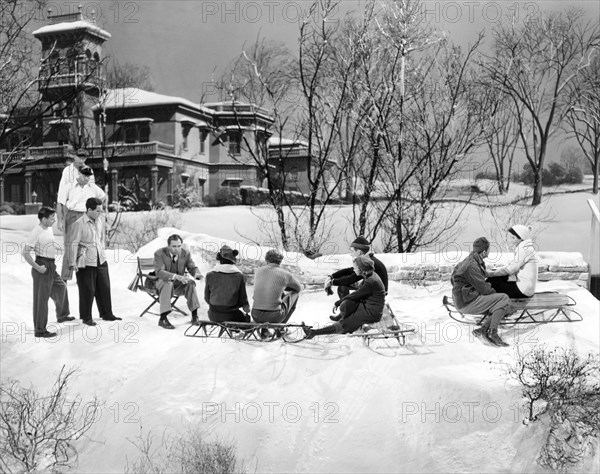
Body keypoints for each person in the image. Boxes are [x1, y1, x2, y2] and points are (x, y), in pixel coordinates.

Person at [22, 207, 75, 338]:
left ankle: (62, 315)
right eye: (52, 218)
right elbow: (25, 252)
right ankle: (40, 330)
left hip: (51, 266)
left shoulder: (48, 228)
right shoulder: (36, 232)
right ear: (44, 219)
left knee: (61, 287)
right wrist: (37, 267)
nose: (54, 220)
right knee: (41, 300)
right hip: (42, 266)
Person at [304, 255, 385, 339]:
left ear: (361, 270)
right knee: (347, 306)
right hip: (367, 306)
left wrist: (337, 303)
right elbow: (356, 292)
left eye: (355, 268)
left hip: (371, 312)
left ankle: (313, 333)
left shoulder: (371, 281)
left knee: (345, 323)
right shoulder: (369, 275)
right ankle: (315, 332)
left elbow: (356, 294)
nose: (353, 270)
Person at [68, 197, 121, 326]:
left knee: (104, 286)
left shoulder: (100, 221)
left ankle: (107, 313)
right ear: (89, 209)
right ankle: (86, 317)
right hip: (85, 260)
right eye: (97, 210)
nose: (100, 213)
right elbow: (73, 244)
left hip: (101, 258)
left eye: (101, 210)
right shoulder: (79, 223)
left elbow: (101, 238)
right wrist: (72, 263)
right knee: (88, 289)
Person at [451, 237, 511, 347]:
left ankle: (482, 330)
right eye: (488, 250)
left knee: (503, 305)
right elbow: (484, 288)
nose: (489, 252)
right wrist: (495, 294)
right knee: (504, 299)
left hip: (463, 299)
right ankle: (493, 332)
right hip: (466, 302)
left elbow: (453, 278)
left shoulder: (469, 260)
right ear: (484, 252)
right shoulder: (472, 265)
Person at [57, 165, 105, 280]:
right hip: (72, 215)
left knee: (88, 245)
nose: (86, 178)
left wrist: (96, 208)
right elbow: (60, 203)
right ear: (78, 174)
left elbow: (103, 196)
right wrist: (60, 220)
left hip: (87, 215)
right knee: (70, 246)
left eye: (88, 176)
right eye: (84, 175)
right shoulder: (69, 187)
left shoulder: (93, 188)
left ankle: (84, 275)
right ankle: (65, 277)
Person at [153, 234, 203, 329]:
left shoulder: (185, 253)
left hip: (177, 284)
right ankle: (163, 319)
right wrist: (176, 276)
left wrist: (197, 274)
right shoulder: (159, 253)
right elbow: (159, 272)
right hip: (161, 282)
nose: (177, 249)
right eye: (174, 246)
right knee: (168, 283)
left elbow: (191, 267)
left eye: (179, 246)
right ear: (168, 246)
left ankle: (194, 315)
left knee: (190, 283)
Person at [324, 236, 388, 300]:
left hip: (376, 294)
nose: (350, 254)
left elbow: (351, 279)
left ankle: (348, 309)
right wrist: (332, 276)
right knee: (343, 286)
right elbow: (350, 270)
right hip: (374, 290)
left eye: (352, 251)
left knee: (343, 287)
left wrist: (332, 282)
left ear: (359, 252)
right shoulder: (368, 259)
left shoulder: (368, 262)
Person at [487, 224, 538, 299]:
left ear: (521, 238)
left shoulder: (524, 250)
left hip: (523, 290)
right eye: (510, 238)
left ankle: (479, 303)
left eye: (513, 238)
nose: (511, 240)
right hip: (527, 289)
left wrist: (491, 274)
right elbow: (512, 267)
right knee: (499, 278)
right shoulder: (527, 248)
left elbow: (511, 269)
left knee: (492, 282)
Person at [251, 249, 302, 324]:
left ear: (266, 259)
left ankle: (265, 332)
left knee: (274, 292)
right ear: (280, 261)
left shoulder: (258, 271)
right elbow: (298, 288)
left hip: (256, 315)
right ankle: (280, 329)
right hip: (274, 317)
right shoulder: (285, 274)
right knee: (295, 294)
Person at [204, 245, 250, 323]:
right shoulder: (239, 276)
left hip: (213, 315)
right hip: (232, 315)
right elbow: (242, 300)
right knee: (244, 319)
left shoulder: (210, 275)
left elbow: (207, 298)